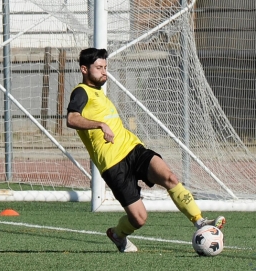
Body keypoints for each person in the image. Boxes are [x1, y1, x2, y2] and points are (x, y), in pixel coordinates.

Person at [66, 48, 226, 253]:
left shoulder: (99, 92)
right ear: (84, 69)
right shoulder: (81, 92)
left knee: (169, 177)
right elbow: (72, 119)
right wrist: (99, 124)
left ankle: (200, 221)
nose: (104, 72)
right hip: (113, 164)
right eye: (99, 68)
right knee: (139, 218)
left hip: (132, 148)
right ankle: (117, 234)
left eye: (105, 67)